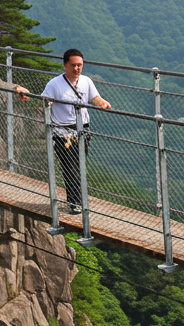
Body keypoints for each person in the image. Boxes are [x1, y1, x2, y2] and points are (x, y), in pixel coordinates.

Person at [13, 49, 112, 214]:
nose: (77, 69)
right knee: (69, 166)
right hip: (62, 131)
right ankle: (75, 202)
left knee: (79, 165)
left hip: (83, 130)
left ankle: (78, 200)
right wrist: (28, 95)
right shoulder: (54, 84)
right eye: (73, 65)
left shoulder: (86, 81)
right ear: (65, 64)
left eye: (80, 65)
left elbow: (93, 97)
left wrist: (102, 103)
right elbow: (46, 101)